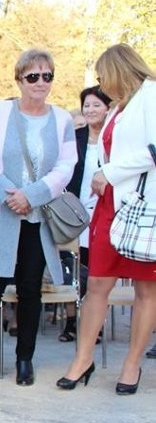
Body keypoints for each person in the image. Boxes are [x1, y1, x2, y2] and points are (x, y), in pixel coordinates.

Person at [0, 48, 76, 386]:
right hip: (0, 214)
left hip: (36, 217)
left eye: (47, 76)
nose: (40, 83)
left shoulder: (62, 120)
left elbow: (66, 166)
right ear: (19, 80)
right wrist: (8, 192)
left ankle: (24, 359)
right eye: (33, 76)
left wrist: (33, 195)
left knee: (31, 290)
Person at [58, 44, 156, 395]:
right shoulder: (119, 108)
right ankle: (83, 359)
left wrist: (110, 172)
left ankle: (132, 364)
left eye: (103, 76)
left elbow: (153, 151)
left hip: (139, 209)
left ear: (118, 70)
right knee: (97, 285)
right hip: (108, 206)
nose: (101, 85)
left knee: (147, 289)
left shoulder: (151, 95)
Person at [57, 86, 111, 343]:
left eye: (96, 105)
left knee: (96, 273)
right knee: (72, 271)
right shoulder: (74, 138)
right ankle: (70, 323)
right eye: (86, 106)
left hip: (104, 215)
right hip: (74, 215)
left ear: (107, 108)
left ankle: (95, 325)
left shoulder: (114, 139)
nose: (90, 110)